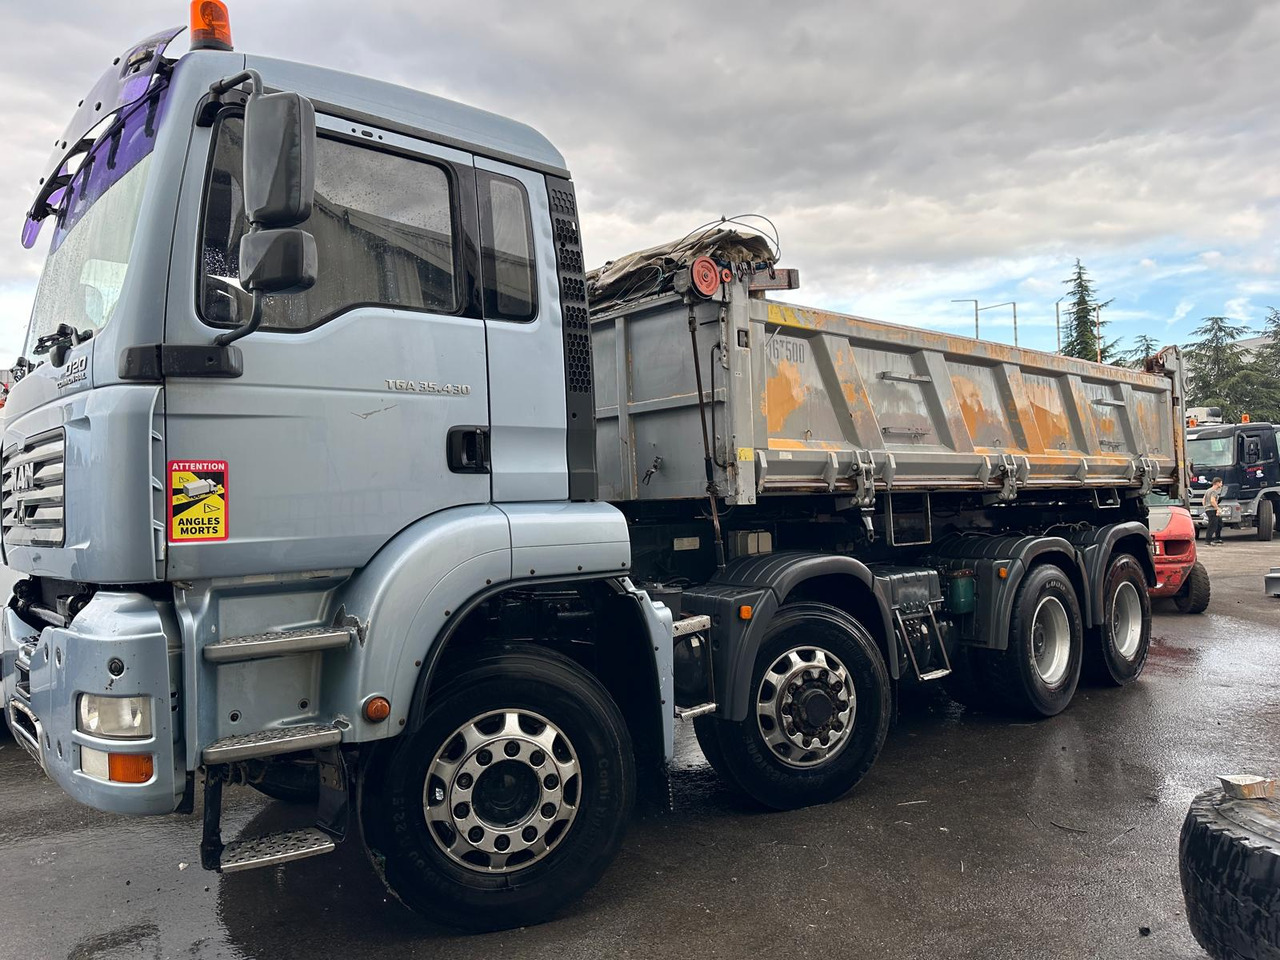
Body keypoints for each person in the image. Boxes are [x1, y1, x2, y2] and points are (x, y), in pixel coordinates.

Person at [1204, 477, 1224, 545]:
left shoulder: (1208, 490)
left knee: (1219, 523)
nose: (1221, 484)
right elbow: (1212, 501)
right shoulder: (1214, 491)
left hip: (1208, 509)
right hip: (1212, 510)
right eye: (1221, 483)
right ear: (1217, 483)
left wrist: (1205, 507)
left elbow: (1203, 500)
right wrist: (1217, 508)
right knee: (1212, 525)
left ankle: (1217, 538)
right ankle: (1208, 540)